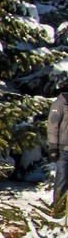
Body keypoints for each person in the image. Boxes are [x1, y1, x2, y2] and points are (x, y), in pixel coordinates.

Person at [48, 82, 68, 211]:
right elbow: (52, 126)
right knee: (62, 176)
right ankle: (58, 204)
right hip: (63, 149)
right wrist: (53, 146)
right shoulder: (59, 104)